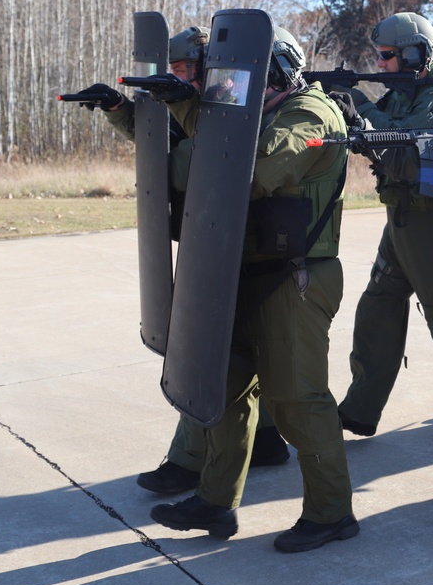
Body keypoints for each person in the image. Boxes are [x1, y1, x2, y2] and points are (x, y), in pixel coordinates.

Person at [150, 26, 358, 553]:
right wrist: (183, 107)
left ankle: (332, 513)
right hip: (242, 270)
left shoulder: (312, 114)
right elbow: (219, 148)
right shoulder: (258, 111)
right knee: (222, 390)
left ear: (282, 71)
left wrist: (192, 127)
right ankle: (216, 503)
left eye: (251, 79)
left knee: (298, 401)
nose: (243, 90)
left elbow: (247, 167)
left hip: (296, 277)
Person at [73, 26, 289, 495]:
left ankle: (188, 463)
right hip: (212, 237)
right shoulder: (193, 107)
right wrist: (119, 109)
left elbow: (207, 151)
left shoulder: (239, 110)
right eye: (172, 72)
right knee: (239, 356)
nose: (179, 79)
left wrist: (183, 107)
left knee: (207, 356)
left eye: (187, 70)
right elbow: (161, 145)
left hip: (235, 243)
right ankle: (267, 439)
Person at [335, 12, 433, 444]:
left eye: (386, 56)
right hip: (400, 221)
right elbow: (374, 130)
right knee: (377, 309)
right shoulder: (403, 93)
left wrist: (359, 109)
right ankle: (361, 409)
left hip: (432, 225)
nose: (379, 64)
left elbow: (406, 155)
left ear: (414, 54)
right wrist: (351, 109)